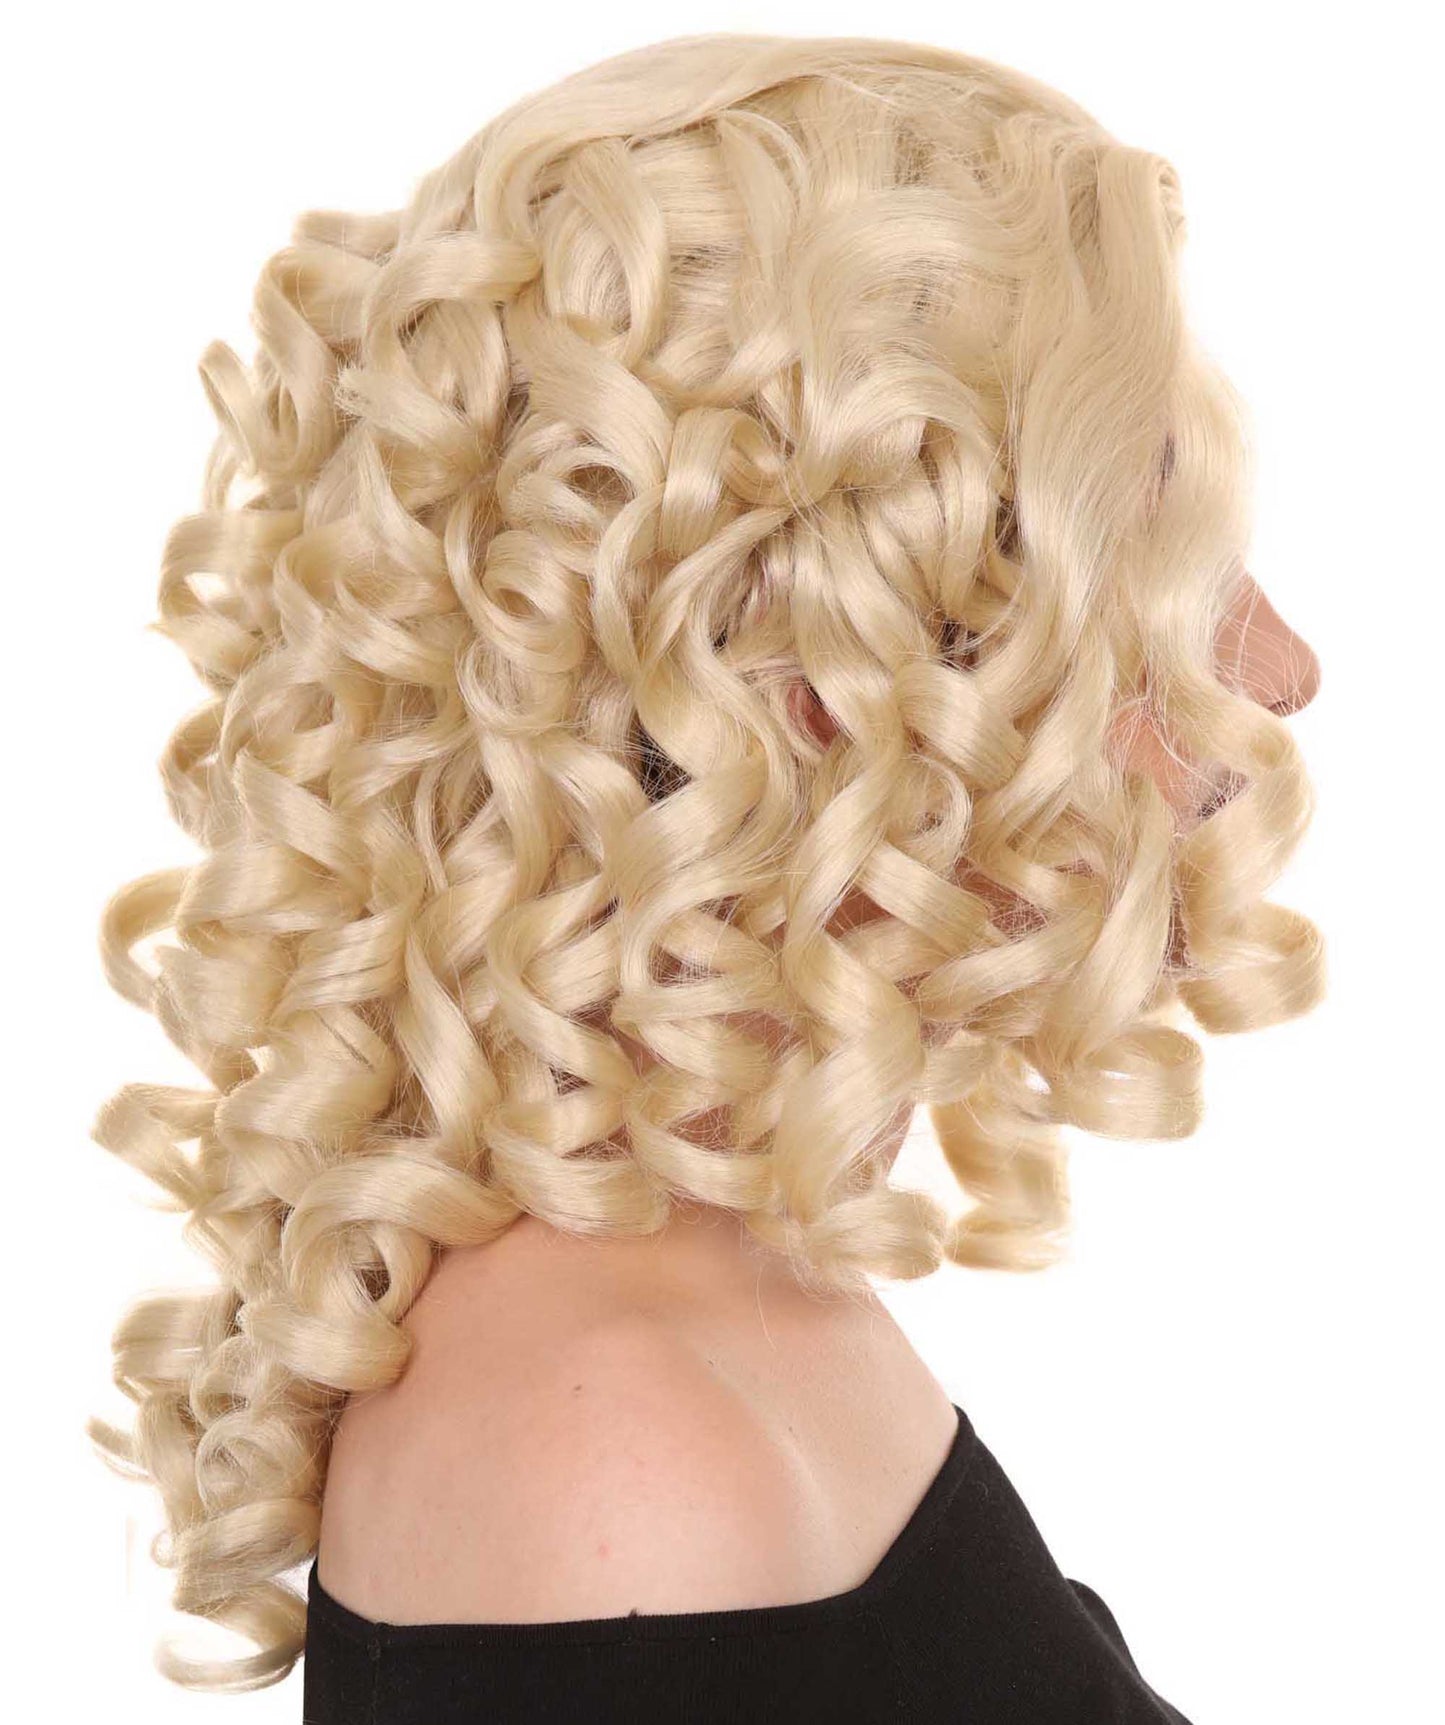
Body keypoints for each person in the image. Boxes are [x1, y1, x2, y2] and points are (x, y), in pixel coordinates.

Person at [86, 33, 1322, 1721]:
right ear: (816, 668)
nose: (1280, 666)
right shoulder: (627, 1461)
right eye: (1161, 549)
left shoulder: (721, 1296)